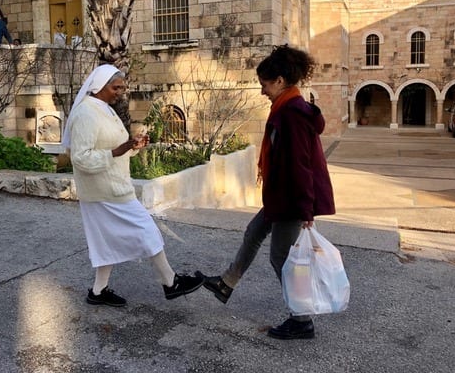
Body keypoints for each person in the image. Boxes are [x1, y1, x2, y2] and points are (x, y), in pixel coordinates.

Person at [196, 45, 335, 340]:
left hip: (291, 199)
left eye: (264, 84)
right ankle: (226, 283)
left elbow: (301, 165)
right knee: (254, 231)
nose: (262, 91)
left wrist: (306, 210)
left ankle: (302, 319)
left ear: (280, 81)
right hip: (281, 196)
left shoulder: (293, 113)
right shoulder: (286, 107)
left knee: (282, 258)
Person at [63, 64, 204, 307]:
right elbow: (81, 157)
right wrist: (121, 148)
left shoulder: (104, 109)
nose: (120, 92)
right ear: (100, 86)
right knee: (146, 229)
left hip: (111, 186)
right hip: (105, 191)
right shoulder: (86, 113)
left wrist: (132, 146)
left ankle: (97, 292)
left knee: (105, 241)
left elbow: (114, 149)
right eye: (116, 88)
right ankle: (171, 283)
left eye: (123, 88)